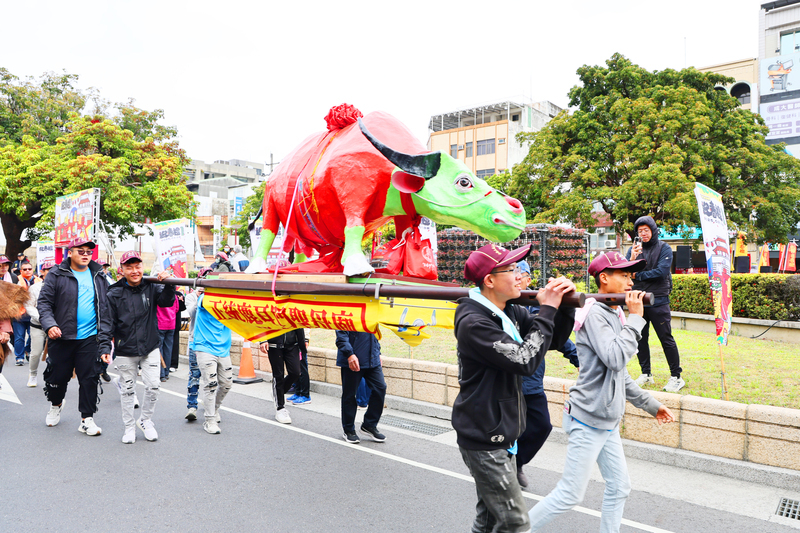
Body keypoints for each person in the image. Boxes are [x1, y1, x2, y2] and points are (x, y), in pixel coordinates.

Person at [527, 251, 676, 533]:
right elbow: (615, 358)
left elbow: (619, 376)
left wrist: (651, 404)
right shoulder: (596, 313)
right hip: (588, 419)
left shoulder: (614, 312)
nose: (631, 282)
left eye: (631, 275)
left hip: (606, 421)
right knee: (569, 494)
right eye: (624, 275)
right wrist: (636, 320)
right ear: (604, 279)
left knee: (620, 487)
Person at [453, 243, 576, 533]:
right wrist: (547, 308)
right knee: (516, 522)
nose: (520, 276)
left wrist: (564, 307)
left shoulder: (508, 311)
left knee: (489, 520)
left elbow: (551, 341)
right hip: (484, 437)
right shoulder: (475, 322)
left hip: (503, 435)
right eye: (512, 270)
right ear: (490, 280)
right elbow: (525, 359)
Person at [514, 260, 580, 489]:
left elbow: (556, 338)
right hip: (508, 381)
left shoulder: (536, 306)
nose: (514, 277)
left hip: (532, 380)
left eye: (518, 273)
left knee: (541, 426)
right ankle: (500, 467)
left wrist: (578, 360)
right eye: (510, 272)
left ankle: (517, 463)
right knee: (508, 428)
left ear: (528, 279)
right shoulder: (504, 306)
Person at [37, 238, 113, 436]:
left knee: (89, 378)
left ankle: (87, 419)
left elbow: (105, 310)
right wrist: (50, 325)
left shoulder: (98, 275)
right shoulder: (56, 273)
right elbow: (44, 303)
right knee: (57, 378)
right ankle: (56, 405)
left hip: (89, 338)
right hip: (62, 337)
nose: (85, 254)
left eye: (89, 251)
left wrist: (105, 344)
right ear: (70, 252)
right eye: (80, 251)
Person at [101, 251, 175, 443]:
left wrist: (169, 283)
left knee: (153, 386)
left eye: (137, 266)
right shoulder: (114, 293)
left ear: (143, 267)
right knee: (127, 391)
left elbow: (167, 301)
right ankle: (128, 428)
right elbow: (107, 323)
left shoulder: (151, 286)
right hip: (125, 350)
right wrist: (104, 348)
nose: (134, 271)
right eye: (129, 267)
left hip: (150, 347)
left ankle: (145, 420)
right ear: (122, 270)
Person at [625, 216, 685, 393]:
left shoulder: (664, 248)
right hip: (638, 299)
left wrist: (638, 276)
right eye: (640, 231)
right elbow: (626, 272)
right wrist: (633, 258)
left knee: (666, 338)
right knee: (640, 339)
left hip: (658, 299)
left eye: (646, 230)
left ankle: (676, 376)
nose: (643, 234)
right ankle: (646, 374)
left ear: (653, 230)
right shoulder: (633, 250)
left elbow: (661, 272)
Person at [191, 289, 233, 435]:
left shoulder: (231, 300)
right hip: (204, 347)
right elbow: (206, 301)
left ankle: (214, 409)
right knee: (210, 384)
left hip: (223, 348)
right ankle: (210, 420)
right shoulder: (204, 298)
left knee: (227, 383)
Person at [335, 330, 387, 444]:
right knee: (350, 394)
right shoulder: (347, 312)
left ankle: (369, 425)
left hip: (372, 359)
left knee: (380, 388)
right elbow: (341, 335)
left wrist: (377, 353)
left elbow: (374, 333)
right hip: (352, 359)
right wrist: (349, 354)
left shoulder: (372, 312)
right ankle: (348, 430)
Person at [264, 328, 305, 423]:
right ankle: (280, 408)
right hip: (274, 343)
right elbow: (262, 319)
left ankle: (277, 392)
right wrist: (263, 340)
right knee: (278, 376)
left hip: (292, 343)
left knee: (296, 373)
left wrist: (304, 339)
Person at [24, 261, 54, 388]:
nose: (52, 272)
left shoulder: (60, 287)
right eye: (49, 270)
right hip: (38, 325)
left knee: (56, 354)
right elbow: (29, 306)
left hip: (55, 326)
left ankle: (53, 377)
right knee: (36, 353)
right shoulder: (35, 288)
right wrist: (43, 319)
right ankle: (33, 374)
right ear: (42, 272)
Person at [12, 260, 35, 365]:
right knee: (19, 337)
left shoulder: (39, 280)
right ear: (21, 271)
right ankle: (19, 357)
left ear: (32, 270)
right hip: (19, 315)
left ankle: (27, 349)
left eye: (29, 269)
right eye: (24, 269)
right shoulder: (16, 280)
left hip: (34, 315)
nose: (27, 271)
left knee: (33, 336)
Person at [157, 287, 179, 382]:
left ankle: (161, 373)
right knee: (168, 349)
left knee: (159, 349)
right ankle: (166, 372)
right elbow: (177, 309)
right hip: (171, 324)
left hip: (160, 323)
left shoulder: (158, 294)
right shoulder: (174, 295)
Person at [287, 328, 311, 405]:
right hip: (293, 342)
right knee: (296, 368)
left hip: (301, 340)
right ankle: (297, 392)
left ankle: (305, 395)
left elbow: (306, 325)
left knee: (302, 369)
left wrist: (306, 339)